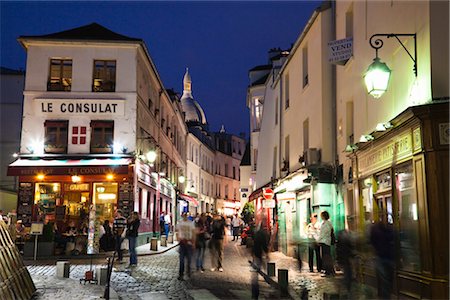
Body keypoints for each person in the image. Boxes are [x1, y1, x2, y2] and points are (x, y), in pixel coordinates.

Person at [370, 219, 395, 299]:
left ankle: (386, 295)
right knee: (386, 280)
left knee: (387, 279)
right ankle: (386, 297)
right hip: (384, 257)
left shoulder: (376, 229)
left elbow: (372, 241)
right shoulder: (390, 230)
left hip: (384, 257)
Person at [251, 213, 270, 299]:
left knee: (256, 273)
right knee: (259, 272)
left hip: (256, 253)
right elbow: (263, 244)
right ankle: (257, 291)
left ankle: (255, 292)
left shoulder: (257, 230)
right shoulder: (261, 232)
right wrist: (266, 254)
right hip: (258, 254)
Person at [177, 212, 196, 280]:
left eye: (186, 215)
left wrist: (193, 243)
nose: (185, 216)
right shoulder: (180, 223)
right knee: (181, 260)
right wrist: (178, 239)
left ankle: (188, 273)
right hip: (182, 242)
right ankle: (181, 274)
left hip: (189, 242)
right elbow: (178, 231)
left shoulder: (191, 223)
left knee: (189, 260)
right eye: (184, 215)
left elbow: (193, 233)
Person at [317, 210, 334, 277]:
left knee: (326, 257)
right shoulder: (326, 223)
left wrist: (318, 240)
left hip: (325, 242)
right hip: (325, 242)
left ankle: (328, 271)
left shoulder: (326, 224)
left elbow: (323, 234)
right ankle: (329, 270)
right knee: (326, 257)